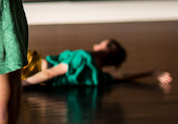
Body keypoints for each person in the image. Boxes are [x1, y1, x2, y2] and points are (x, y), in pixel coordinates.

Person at [22, 38, 172, 87]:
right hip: (31, 68)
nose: (95, 45)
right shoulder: (97, 77)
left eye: (100, 44)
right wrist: (151, 72)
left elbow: (49, 73)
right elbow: (123, 76)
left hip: (29, 65)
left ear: (106, 52)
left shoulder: (82, 57)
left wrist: (21, 85)